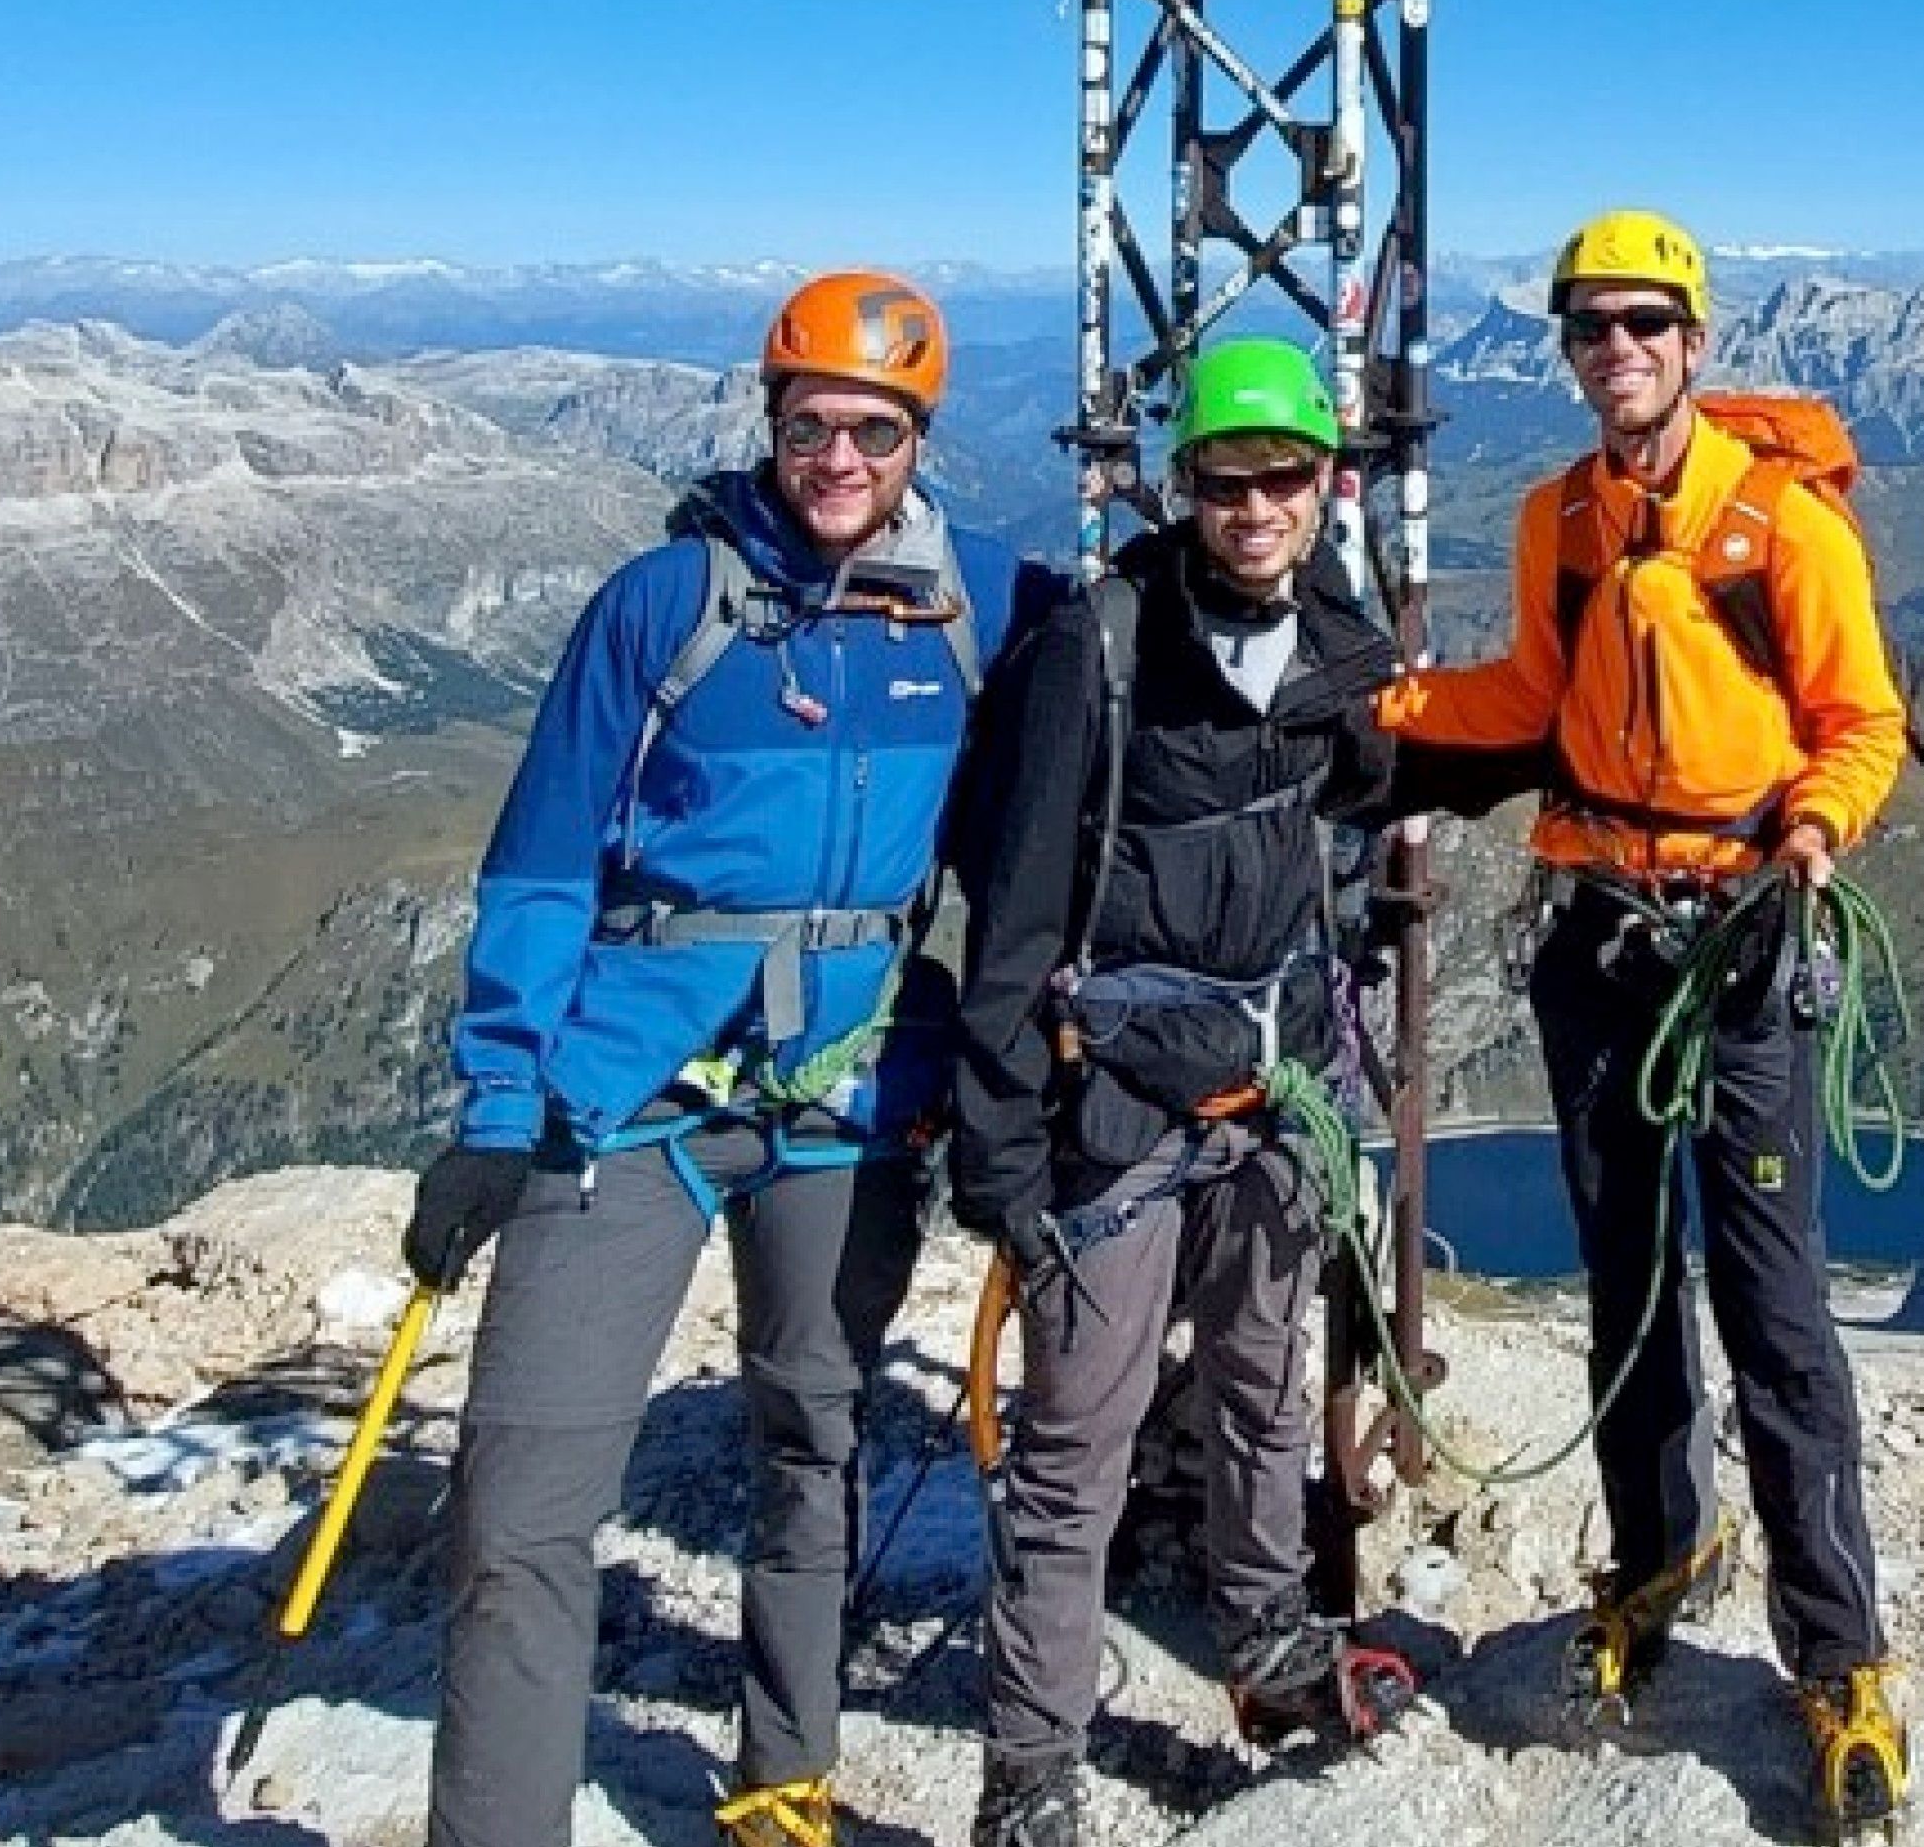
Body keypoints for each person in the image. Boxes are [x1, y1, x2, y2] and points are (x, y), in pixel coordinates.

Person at [401, 269, 1038, 1847]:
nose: (841, 462)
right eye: (814, 425)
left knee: (815, 1438)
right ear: (768, 424)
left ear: (917, 443)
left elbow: (1139, 671)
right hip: (622, 1096)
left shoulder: (979, 603)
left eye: (876, 434)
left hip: (847, 1096)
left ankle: (783, 1778)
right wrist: (497, 1103)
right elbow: (544, 859)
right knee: (522, 1501)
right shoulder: (662, 604)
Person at [1373, 208, 1916, 1830]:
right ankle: (1656, 1555)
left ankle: (1839, 1652)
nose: (1616, 350)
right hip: (1603, 936)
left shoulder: (1785, 529)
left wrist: (1812, 831)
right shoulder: (1561, 522)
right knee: (1624, 1278)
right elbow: (1530, 704)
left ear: (1694, 343)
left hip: (1742, 942)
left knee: (1775, 1305)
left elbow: (1860, 722)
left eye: (1642, 325)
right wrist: (1379, 711)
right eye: (1588, 329)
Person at [945, 336, 1417, 1847]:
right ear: (1185, 484)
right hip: (1118, 1109)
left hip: (1272, 1094)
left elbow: (1372, 788)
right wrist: (1001, 1149)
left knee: (1263, 1391)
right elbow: (1015, 914)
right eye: (1229, 479)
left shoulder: (1331, 642)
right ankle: (1030, 1774)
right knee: (1077, 1440)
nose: (1257, 505)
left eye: (1286, 477)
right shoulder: (1099, 647)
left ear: (1327, 487)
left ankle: (1272, 1650)